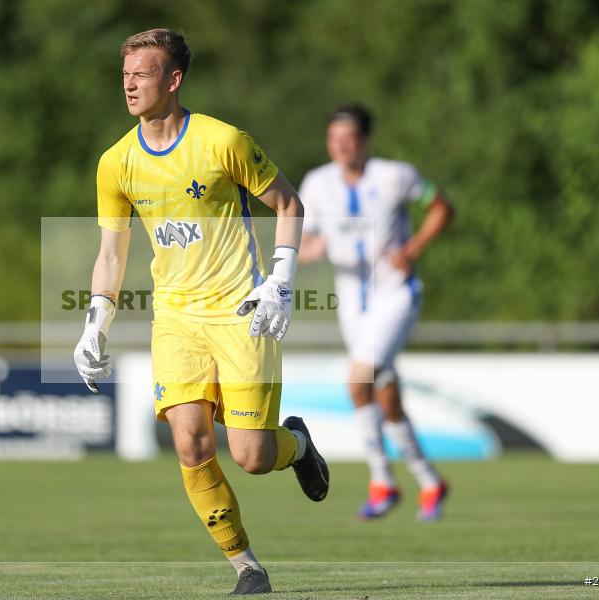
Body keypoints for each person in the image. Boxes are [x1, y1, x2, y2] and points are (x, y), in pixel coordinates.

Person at [73, 29, 329, 595]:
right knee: (190, 443)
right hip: (176, 318)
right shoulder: (115, 163)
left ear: (173, 80)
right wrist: (95, 324)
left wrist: (280, 283)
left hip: (242, 310)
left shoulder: (223, 141)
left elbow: (289, 203)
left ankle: (299, 445)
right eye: (125, 74)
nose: (129, 84)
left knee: (253, 457)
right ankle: (247, 568)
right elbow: (111, 253)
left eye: (142, 73)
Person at [298, 104, 454, 521]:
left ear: (364, 141)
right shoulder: (317, 183)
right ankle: (430, 480)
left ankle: (382, 480)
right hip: (352, 303)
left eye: (349, 139)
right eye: (334, 139)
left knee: (357, 380)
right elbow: (314, 243)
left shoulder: (394, 176)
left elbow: (441, 206)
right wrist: (281, 262)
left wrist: (413, 249)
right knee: (385, 395)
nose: (341, 147)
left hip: (395, 296)